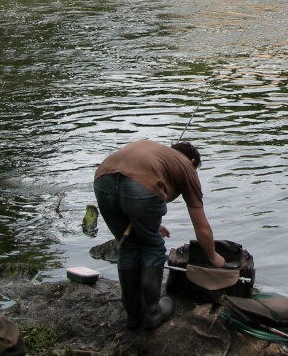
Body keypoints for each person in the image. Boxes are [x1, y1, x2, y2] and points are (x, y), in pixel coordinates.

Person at [93, 140, 226, 329]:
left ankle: (133, 315)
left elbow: (124, 185)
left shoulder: (156, 153)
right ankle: (152, 313)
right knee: (153, 247)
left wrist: (152, 225)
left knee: (127, 245)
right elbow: (201, 226)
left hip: (102, 179)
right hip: (139, 185)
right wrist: (213, 256)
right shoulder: (187, 167)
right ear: (193, 162)